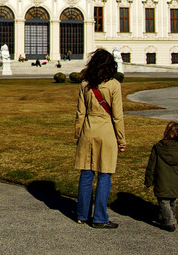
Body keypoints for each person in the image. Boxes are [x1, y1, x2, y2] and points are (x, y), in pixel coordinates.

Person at [74, 48, 126, 229]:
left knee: (86, 175)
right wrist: (121, 140)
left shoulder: (85, 84)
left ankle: (82, 214)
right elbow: (118, 116)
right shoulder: (113, 85)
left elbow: (80, 113)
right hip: (106, 132)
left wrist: (78, 134)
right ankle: (100, 218)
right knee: (105, 175)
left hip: (87, 131)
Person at [144, 121, 178, 232]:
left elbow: (151, 166)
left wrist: (149, 180)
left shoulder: (158, 148)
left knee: (164, 202)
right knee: (172, 201)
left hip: (161, 181)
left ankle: (169, 221)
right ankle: (171, 218)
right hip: (175, 182)